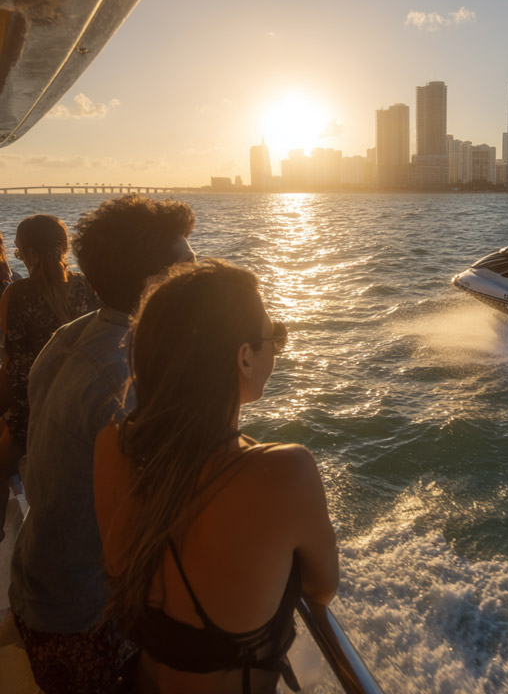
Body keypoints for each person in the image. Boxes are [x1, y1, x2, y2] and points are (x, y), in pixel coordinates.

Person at [94, 259, 338, 694]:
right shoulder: (283, 472)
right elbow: (321, 590)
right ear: (244, 357)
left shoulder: (113, 447)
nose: (277, 348)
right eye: (273, 338)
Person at [8, 195, 196, 692]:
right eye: (190, 271)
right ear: (155, 283)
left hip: (36, 582)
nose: (203, 283)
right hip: (80, 617)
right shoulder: (124, 379)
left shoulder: (72, 337)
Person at [0, 215, 101, 457]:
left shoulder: (16, 294)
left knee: (1, 464)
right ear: (64, 247)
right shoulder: (88, 286)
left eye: (18, 252)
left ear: (31, 254)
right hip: (84, 396)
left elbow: (16, 363)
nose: (19, 257)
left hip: (35, 401)